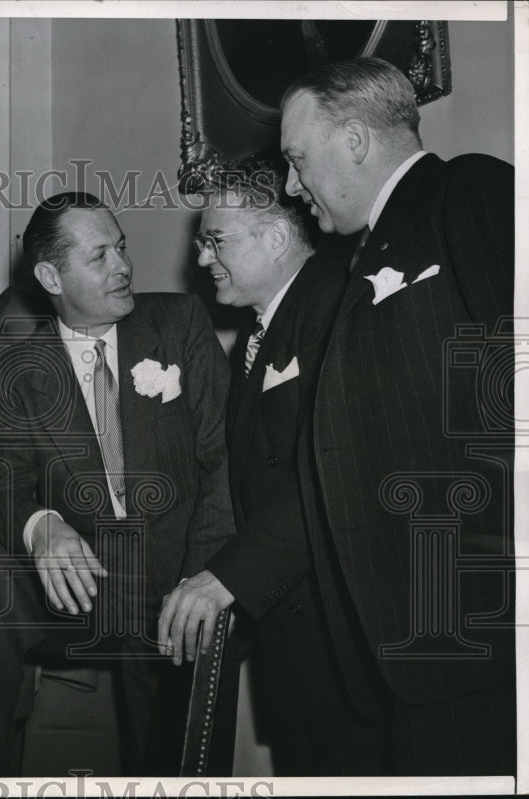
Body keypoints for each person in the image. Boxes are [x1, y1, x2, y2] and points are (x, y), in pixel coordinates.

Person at [0, 192, 237, 776]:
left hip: (176, 572)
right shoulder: (16, 365)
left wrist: (206, 576)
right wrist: (42, 526)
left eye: (121, 248)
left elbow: (224, 462)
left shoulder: (178, 323)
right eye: (99, 256)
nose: (123, 266)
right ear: (51, 275)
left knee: (167, 743)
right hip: (81, 586)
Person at [279, 57, 514, 775]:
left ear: (353, 142)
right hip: (408, 647)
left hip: (478, 628)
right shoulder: (359, 259)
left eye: (296, 159)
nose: (292, 185)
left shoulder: (469, 190)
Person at [186, 159, 390, 774]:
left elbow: (332, 476)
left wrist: (225, 579)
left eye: (214, 240)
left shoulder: (335, 306)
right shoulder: (264, 330)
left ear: (275, 237)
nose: (201, 260)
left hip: (347, 650)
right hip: (299, 647)